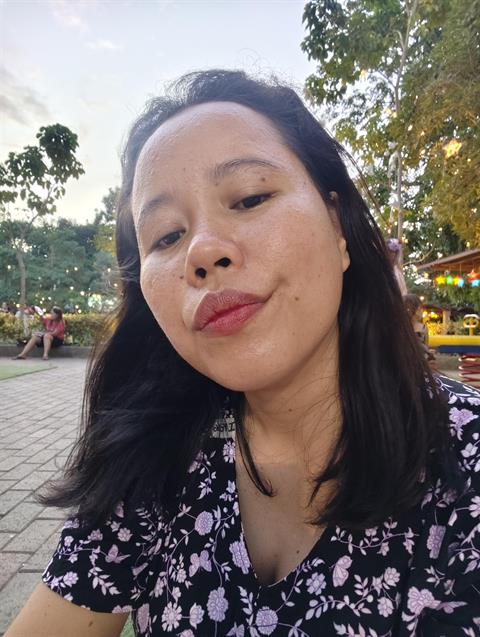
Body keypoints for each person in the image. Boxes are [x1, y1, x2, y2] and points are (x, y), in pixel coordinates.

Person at [6, 71, 479, 637]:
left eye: (250, 198)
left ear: (336, 226)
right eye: (166, 236)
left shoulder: (467, 464)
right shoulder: (154, 462)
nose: (203, 251)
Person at [403, 293, 436, 364]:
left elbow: (425, 346)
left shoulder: (423, 328)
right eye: (420, 308)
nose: (421, 310)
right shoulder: (421, 328)